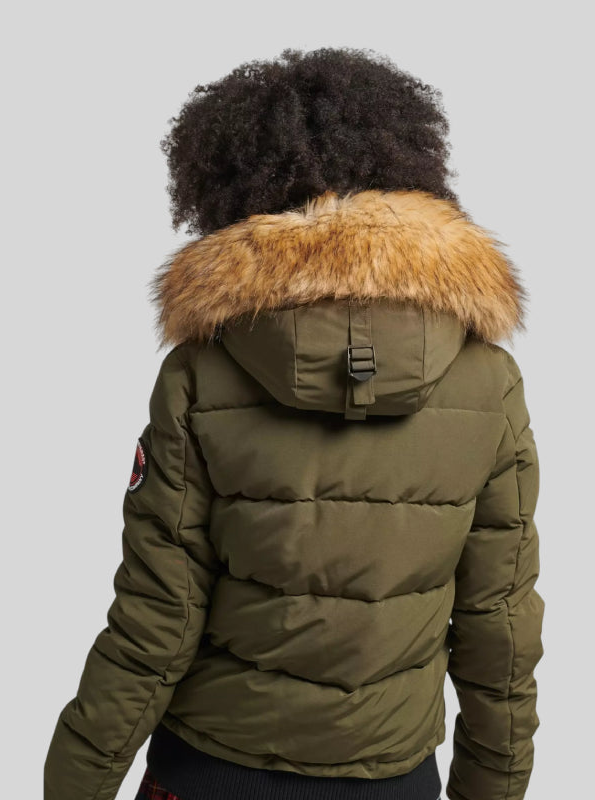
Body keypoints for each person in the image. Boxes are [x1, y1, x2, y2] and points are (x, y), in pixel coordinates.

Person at [44, 46, 545, 800]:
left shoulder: (202, 374)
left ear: (229, 188)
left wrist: (75, 781)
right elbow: (499, 624)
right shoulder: (487, 382)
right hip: (395, 778)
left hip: (212, 773)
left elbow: (157, 617)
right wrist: (492, 787)